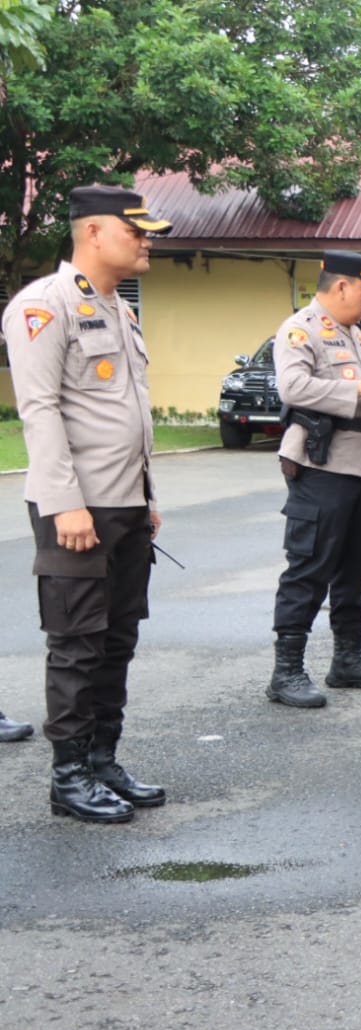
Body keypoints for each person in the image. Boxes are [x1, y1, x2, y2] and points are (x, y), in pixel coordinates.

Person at [1, 185, 173, 822]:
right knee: (76, 643)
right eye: (138, 231)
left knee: (118, 639)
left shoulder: (120, 311)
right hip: (77, 508)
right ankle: (68, 776)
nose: (147, 241)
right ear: (95, 233)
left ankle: (103, 759)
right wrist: (63, 502)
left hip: (125, 504)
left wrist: (147, 496)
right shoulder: (44, 307)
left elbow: (124, 415)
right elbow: (39, 409)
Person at [266, 251, 361, 708]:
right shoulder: (302, 329)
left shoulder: (357, 336)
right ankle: (286, 672)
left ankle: (348, 660)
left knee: (356, 569)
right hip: (323, 467)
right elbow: (293, 388)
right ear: (342, 286)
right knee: (308, 567)